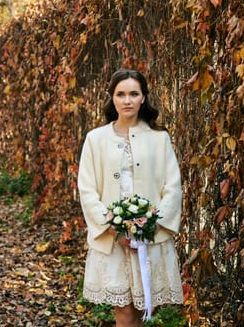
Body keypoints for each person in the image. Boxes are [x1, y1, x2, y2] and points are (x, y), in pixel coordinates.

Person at [77, 69, 183, 326]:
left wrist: (150, 226)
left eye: (134, 94)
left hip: (150, 240)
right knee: (123, 311)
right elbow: (87, 189)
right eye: (120, 94)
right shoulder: (95, 139)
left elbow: (173, 185)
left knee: (143, 311)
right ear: (112, 99)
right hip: (114, 242)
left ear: (143, 98)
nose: (127, 100)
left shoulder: (159, 138)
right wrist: (116, 229)